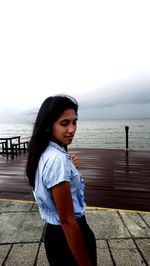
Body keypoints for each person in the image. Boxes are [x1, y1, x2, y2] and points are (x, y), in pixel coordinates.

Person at [26, 95, 97, 266]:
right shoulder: (57, 160)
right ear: (48, 125)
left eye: (74, 122)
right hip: (68, 239)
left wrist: (70, 168)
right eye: (64, 123)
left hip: (53, 236)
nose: (72, 129)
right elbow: (67, 220)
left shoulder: (42, 153)